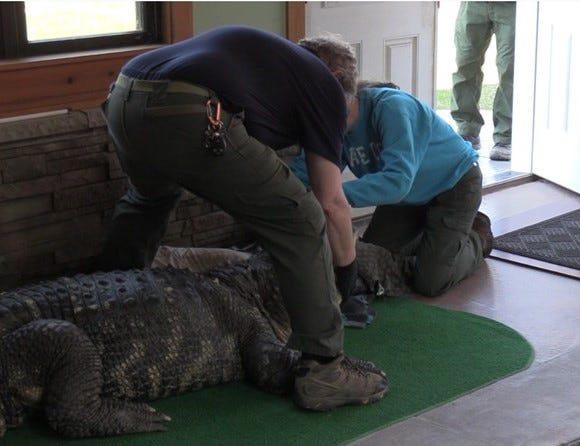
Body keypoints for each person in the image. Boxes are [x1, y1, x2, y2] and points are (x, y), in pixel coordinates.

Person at [97, 25, 388, 411]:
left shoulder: (267, 65)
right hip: (188, 106)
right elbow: (329, 201)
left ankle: (104, 308)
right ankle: (324, 370)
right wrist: (345, 281)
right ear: (338, 80)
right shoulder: (325, 86)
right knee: (300, 218)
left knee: (148, 200)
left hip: (123, 97)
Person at [291, 81, 493, 298]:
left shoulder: (393, 108)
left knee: (430, 282)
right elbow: (301, 176)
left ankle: (477, 238)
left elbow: (397, 182)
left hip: (455, 183)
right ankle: (436, 238)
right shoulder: (330, 127)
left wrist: (334, 195)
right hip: (409, 196)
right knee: (373, 257)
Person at [451, 1, 516, 161]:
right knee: (465, 65)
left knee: (510, 70)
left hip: (512, 6)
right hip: (473, 4)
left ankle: (505, 137)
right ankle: (466, 130)